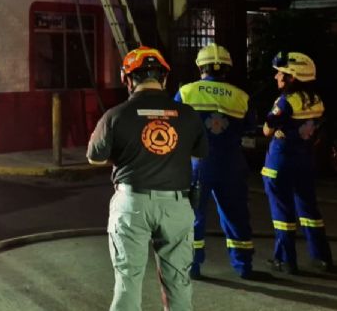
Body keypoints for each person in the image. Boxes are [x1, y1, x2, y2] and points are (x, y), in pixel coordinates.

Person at [88, 46, 207, 311]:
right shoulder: (188, 114)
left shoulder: (115, 116)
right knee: (178, 282)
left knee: (128, 280)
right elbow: (199, 152)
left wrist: (126, 155)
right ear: (164, 78)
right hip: (177, 206)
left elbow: (94, 157)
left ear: (128, 79)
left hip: (132, 205)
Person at [175, 44, 256, 279]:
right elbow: (250, 127)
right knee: (236, 214)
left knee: (193, 215)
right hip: (232, 162)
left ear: (200, 66)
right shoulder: (241, 97)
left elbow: (173, 124)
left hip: (198, 163)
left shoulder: (187, 92)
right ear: (226, 68)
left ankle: (193, 266)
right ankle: (244, 266)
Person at [261, 51, 333, 274]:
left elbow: (267, 129)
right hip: (305, 162)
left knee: (282, 213)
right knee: (310, 211)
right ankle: (322, 258)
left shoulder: (286, 101)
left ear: (292, 77)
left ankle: (285, 260)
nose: (276, 78)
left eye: (280, 74)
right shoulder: (317, 100)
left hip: (280, 163)